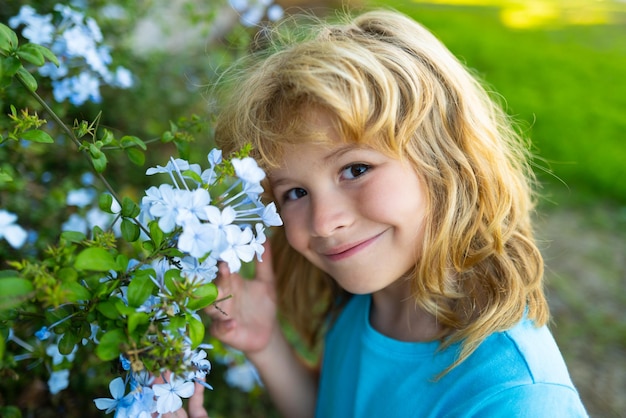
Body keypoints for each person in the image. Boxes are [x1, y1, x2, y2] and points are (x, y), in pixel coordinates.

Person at [198, 8, 589, 418]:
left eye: (356, 170)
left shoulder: (513, 397)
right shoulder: (367, 304)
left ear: (447, 161)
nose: (323, 221)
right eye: (295, 192)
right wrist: (267, 344)